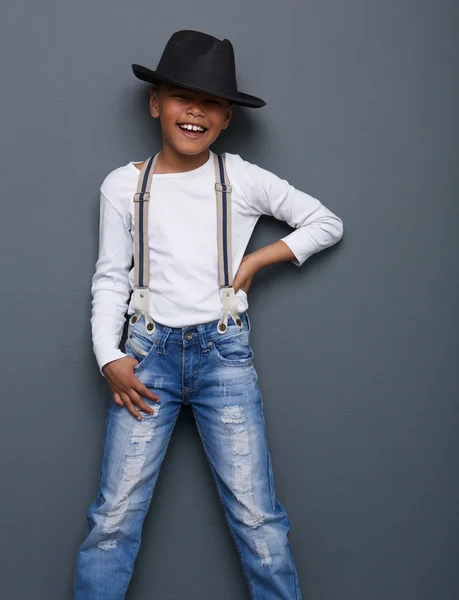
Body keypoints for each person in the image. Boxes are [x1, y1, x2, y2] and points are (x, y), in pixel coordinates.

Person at [73, 29, 343, 600]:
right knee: (113, 519)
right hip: (144, 359)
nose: (195, 111)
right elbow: (109, 277)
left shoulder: (240, 178)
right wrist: (108, 356)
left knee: (258, 521)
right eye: (180, 96)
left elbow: (326, 222)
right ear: (156, 104)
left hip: (224, 359)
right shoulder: (125, 185)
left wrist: (258, 261)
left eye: (212, 103)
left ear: (226, 119)